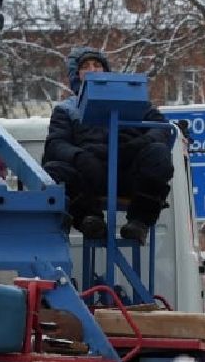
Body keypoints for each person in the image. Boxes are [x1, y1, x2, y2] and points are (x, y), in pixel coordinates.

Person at [42, 46, 174, 245]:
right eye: (85, 66)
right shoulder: (66, 110)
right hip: (89, 177)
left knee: (159, 154)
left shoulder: (132, 101)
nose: (93, 70)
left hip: (126, 172)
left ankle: (139, 222)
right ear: (76, 75)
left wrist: (139, 143)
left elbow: (162, 128)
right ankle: (89, 219)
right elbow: (55, 144)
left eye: (97, 65)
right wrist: (79, 157)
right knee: (53, 170)